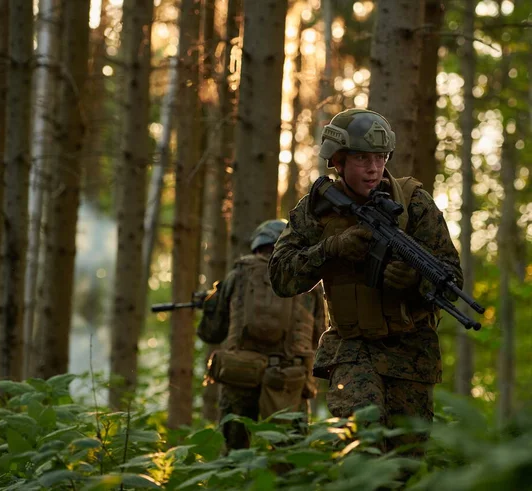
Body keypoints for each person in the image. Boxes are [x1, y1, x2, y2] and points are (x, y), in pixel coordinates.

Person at [268, 109, 463, 454]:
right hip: (352, 351)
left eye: (380, 157)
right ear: (338, 162)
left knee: (406, 463)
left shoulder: (413, 203)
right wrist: (331, 249)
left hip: (411, 354)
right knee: (362, 451)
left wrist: (414, 281)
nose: (374, 168)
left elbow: (450, 279)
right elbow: (281, 277)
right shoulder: (317, 209)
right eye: (361, 158)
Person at [198, 219, 327, 452]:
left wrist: (209, 304)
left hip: (240, 374)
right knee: (290, 457)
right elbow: (320, 334)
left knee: (233, 455)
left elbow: (211, 332)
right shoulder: (309, 281)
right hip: (289, 378)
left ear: (258, 244)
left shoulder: (238, 274)